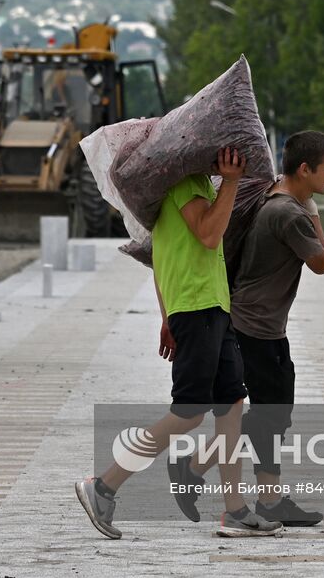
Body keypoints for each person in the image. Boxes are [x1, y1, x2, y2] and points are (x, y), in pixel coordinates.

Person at [75, 147, 283, 540]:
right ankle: (102, 486)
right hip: (198, 305)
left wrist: (167, 316)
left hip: (210, 306)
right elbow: (207, 235)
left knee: (231, 406)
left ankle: (235, 510)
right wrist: (233, 183)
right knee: (189, 411)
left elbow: (161, 257)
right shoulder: (185, 182)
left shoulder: (198, 183)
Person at [167, 131, 324, 528]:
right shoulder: (290, 213)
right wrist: (312, 209)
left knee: (272, 415)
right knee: (268, 415)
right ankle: (201, 471)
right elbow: (323, 261)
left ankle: (250, 490)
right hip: (255, 328)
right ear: (304, 169)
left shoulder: (274, 199)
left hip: (257, 324)